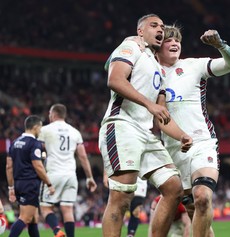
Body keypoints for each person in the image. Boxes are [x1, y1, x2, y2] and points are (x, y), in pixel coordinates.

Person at [98, 14, 193, 237]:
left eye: (162, 26)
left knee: (174, 188)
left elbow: (161, 114)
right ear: (141, 31)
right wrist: (150, 105)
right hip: (121, 126)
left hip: (146, 134)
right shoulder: (131, 46)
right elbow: (115, 79)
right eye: (154, 25)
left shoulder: (158, 68)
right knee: (121, 198)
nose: (160, 29)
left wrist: (181, 136)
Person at [156, 25, 230, 237]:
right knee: (195, 211)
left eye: (177, 40)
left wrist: (220, 45)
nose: (175, 43)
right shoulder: (150, 73)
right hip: (174, 151)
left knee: (202, 196)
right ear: (157, 46)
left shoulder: (194, 65)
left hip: (202, 142)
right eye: (169, 40)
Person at [38, 103, 97, 237]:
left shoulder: (45, 130)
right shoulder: (74, 131)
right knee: (67, 210)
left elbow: (38, 150)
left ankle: (56, 231)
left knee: (46, 207)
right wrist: (90, 177)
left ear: (53, 114)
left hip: (53, 174)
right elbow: (82, 156)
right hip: (71, 175)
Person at [5, 115, 56, 237]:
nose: (40, 131)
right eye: (40, 128)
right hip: (30, 184)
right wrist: (49, 184)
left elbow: (8, 167)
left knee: (34, 218)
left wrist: (11, 188)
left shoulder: (14, 142)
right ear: (35, 127)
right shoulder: (34, 143)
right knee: (25, 218)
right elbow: (38, 166)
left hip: (19, 184)